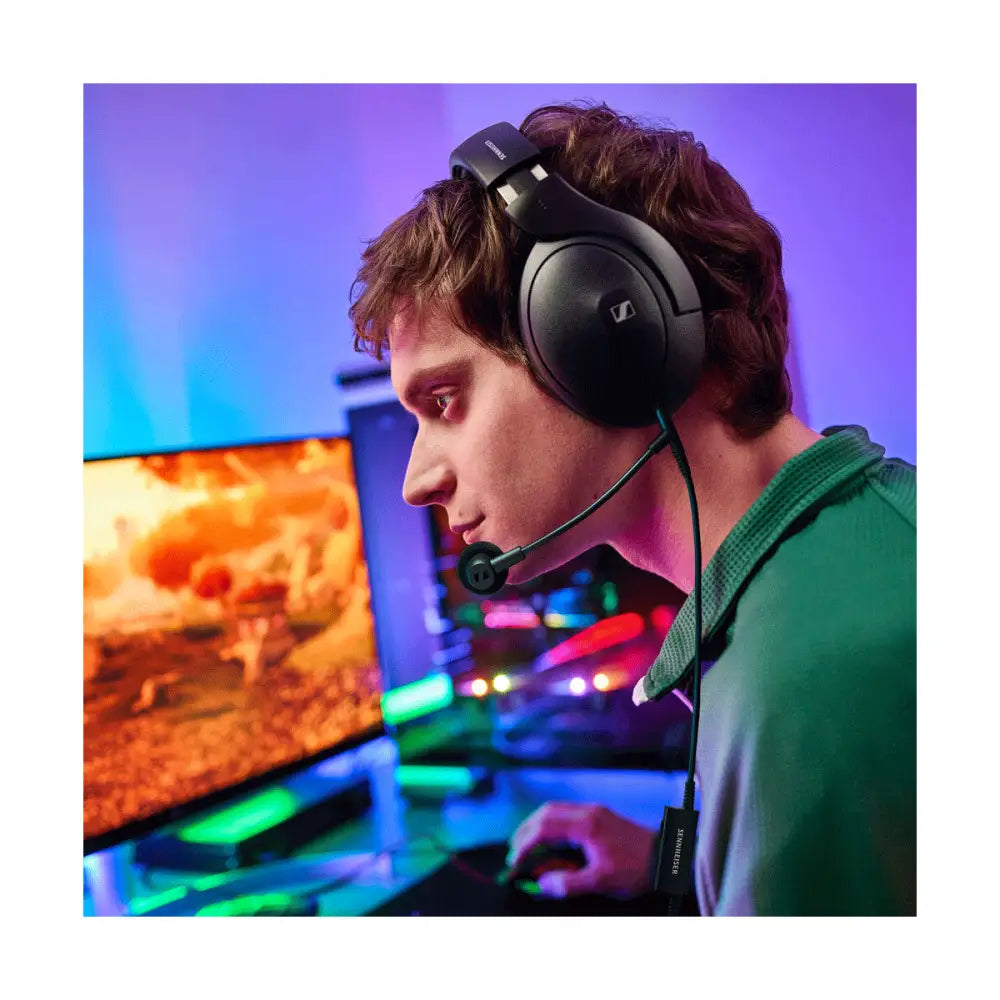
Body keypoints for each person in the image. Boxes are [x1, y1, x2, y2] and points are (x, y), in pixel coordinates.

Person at [347, 101, 915, 915]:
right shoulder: (862, 550)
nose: (416, 481)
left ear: (602, 332)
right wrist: (674, 860)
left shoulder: (805, 687)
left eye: (443, 401)